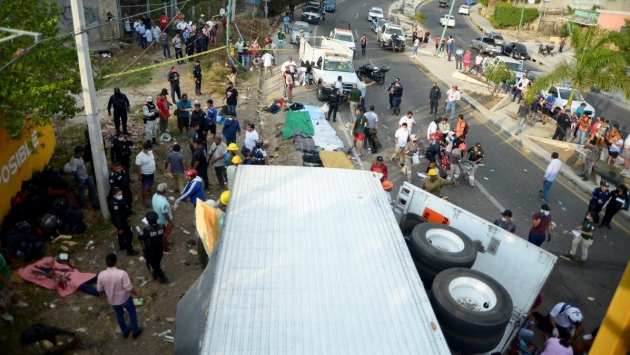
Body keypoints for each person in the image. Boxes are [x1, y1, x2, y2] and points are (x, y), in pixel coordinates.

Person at [97, 253, 143, 339]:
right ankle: (135, 331)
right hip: (125, 298)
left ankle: (125, 331)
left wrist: (102, 295)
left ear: (106, 262)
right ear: (116, 262)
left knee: (119, 314)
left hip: (112, 300)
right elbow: (128, 288)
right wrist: (137, 294)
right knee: (132, 312)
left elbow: (99, 289)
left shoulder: (101, 275)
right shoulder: (122, 273)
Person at [0, 245, 28, 322]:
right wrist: (6, 284)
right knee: (1, 299)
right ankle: (3, 313)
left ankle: (15, 302)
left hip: (6, 276)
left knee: (11, 290)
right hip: (1, 283)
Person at [139, 212, 169, 283]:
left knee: (154, 264)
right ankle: (155, 273)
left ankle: (162, 277)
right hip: (159, 249)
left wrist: (144, 229)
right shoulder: (162, 226)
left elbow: (140, 237)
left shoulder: (146, 230)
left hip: (150, 251)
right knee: (157, 262)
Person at [107, 188, 138, 255]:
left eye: (121, 194)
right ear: (114, 195)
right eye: (119, 194)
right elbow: (117, 217)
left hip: (121, 220)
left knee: (121, 233)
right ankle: (129, 250)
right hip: (121, 222)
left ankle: (122, 246)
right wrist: (120, 227)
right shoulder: (114, 205)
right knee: (129, 235)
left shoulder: (119, 200)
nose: (121, 195)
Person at [152, 183, 174, 252]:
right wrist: (170, 222)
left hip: (157, 219)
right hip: (163, 221)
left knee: (163, 234)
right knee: (164, 234)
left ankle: (166, 243)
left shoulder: (154, 196)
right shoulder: (163, 202)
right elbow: (165, 214)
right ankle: (165, 248)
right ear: (164, 191)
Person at [135, 142, 156, 208]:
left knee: (150, 185)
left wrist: (156, 165)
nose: (150, 151)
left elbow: (152, 159)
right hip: (145, 174)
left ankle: (152, 195)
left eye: (151, 149)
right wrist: (139, 175)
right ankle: (144, 200)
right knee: (145, 187)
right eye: (149, 149)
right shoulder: (140, 156)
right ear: (144, 149)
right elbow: (137, 166)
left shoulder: (150, 153)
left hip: (151, 173)